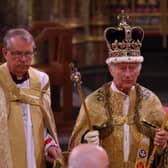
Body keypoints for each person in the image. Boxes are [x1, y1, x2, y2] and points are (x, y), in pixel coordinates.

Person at [69, 12, 168, 168]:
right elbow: (75, 149)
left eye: (133, 68)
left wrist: (162, 145)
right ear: (111, 68)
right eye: (122, 68)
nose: (128, 74)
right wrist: (85, 141)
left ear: (140, 69)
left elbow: (162, 149)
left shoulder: (151, 101)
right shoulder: (94, 102)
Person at [0, 28, 63, 168]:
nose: (23, 60)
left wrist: (49, 144)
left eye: (28, 54)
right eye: (17, 54)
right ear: (5, 53)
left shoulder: (41, 80)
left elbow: (43, 124)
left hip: (34, 159)